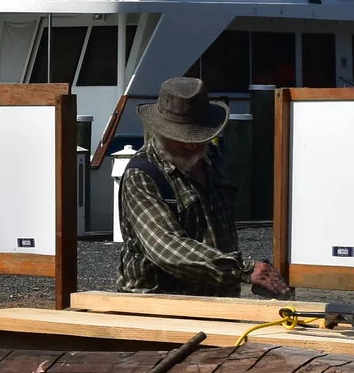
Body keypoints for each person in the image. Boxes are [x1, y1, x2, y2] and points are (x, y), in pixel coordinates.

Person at [118, 77, 289, 297]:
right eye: (181, 137)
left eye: (199, 135)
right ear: (161, 130)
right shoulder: (142, 174)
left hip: (217, 299)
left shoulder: (212, 158)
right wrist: (244, 270)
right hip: (159, 303)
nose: (192, 144)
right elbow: (167, 248)